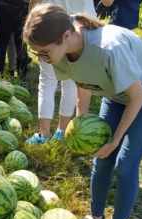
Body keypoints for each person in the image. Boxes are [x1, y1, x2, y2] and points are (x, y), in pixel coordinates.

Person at [23, 4, 142, 219]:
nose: (41, 58)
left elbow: (137, 96)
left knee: (125, 162)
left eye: (44, 52)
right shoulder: (59, 49)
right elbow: (82, 78)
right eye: (36, 52)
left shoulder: (108, 48)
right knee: (101, 156)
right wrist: (82, 120)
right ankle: (95, 216)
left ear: (65, 37)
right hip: (115, 90)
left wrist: (115, 139)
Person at [26, 0, 98, 144]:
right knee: (71, 82)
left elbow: (35, 1)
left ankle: (43, 134)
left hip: (47, 25)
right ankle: (62, 132)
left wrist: (32, 21)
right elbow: (108, 3)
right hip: (81, 29)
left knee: (47, 81)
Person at [0, 0, 30, 78]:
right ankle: (21, 74)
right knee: (20, 43)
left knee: (3, 43)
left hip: (6, 6)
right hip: (20, 6)